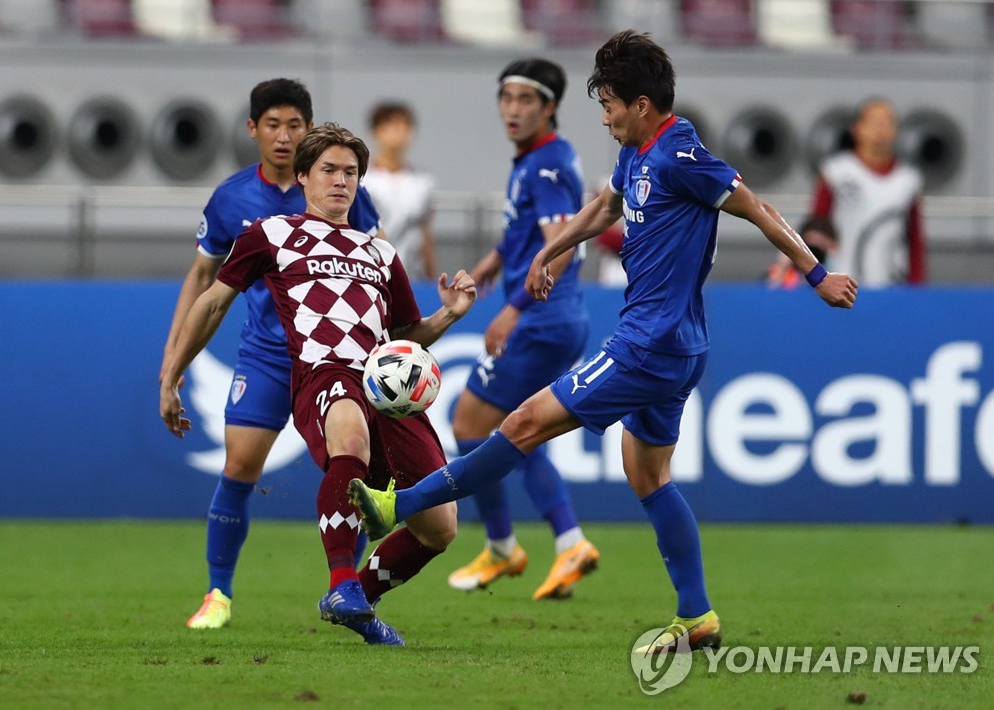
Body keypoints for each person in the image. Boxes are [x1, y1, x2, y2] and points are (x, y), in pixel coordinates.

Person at [350, 30, 858, 653]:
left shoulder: (680, 153)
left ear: (641, 104)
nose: (605, 115)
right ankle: (697, 617)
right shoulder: (636, 155)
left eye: (610, 103)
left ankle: (398, 507)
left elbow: (756, 206)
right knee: (648, 476)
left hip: (651, 344)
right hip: (671, 345)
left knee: (521, 424)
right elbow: (603, 208)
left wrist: (816, 275)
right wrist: (551, 249)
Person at [161, 124, 477, 645]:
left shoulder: (381, 253)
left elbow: (405, 337)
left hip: (385, 386)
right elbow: (213, 300)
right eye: (328, 170)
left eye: (350, 172)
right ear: (303, 175)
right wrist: (172, 374)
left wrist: (450, 314)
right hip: (323, 374)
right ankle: (340, 579)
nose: (340, 181)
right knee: (347, 437)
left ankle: (357, 602)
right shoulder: (271, 234)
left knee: (439, 527)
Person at [159, 79, 382, 631]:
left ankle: (348, 590)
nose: (284, 137)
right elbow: (203, 284)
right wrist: (172, 368)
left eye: (295, 125)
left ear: (309, 131)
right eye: (273, 125)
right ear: (252, 129)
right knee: (238, 467)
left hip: (334, 360)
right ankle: (218, 592)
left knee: (350, 471)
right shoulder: (233, 199)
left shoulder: (346, 193)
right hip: (266, 356)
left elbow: (373, 275)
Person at [446, 58, 600, 601]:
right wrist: (493, 261)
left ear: (550, 107)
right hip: (554, 320)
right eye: (506, 97)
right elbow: (527, 232)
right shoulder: (538, 159)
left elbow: (561, 246)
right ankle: (567, 544)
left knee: (469, 424)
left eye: (525, 100)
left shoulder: (547, 164)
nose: (513, 109)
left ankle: (505, 545)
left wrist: (513, 307)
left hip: (541, 320)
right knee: (520, 431)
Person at [810, 97, 926, 286]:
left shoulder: (908, 180)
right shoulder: (836, 172)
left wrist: (917, 286)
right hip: (843, 287)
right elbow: (816, 232)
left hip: (893, 287)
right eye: (873, 122)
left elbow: (915, 240)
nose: (880, 128)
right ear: (856, 129)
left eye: (887, 122)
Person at [361, 101, 438, 281]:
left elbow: (425, 236)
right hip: (370, 276)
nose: (400, 131)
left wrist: (431, 279)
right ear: (375, 132)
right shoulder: (362, 181)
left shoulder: (423, 183)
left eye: (406, 125)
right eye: (392, 124)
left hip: (411, 278)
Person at [766, 215, 838, 289]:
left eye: (820, 248)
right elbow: (769, 295)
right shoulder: (786, 276)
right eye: (809, 250)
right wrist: (783, 268)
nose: (814, 256)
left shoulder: (842, 276)